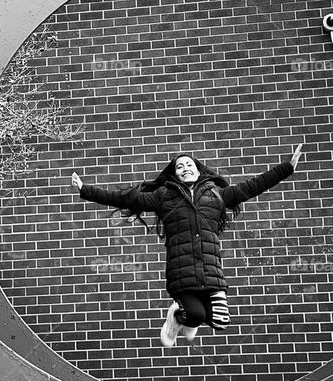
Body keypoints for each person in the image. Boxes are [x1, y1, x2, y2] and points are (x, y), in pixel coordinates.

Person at [71, 147, 302, 347]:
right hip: (181, 272)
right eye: (179, 166)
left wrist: (286, 168)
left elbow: (254, 186)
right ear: (175, 174)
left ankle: (187, 320)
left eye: (189, 164)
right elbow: (125, 198)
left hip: (211, 271)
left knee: (221, 321)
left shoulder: (217, 195)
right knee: (195, 315)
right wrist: (84, 189)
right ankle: (176, 318)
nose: (185, 168)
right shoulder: (163, 196)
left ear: (198, 170)